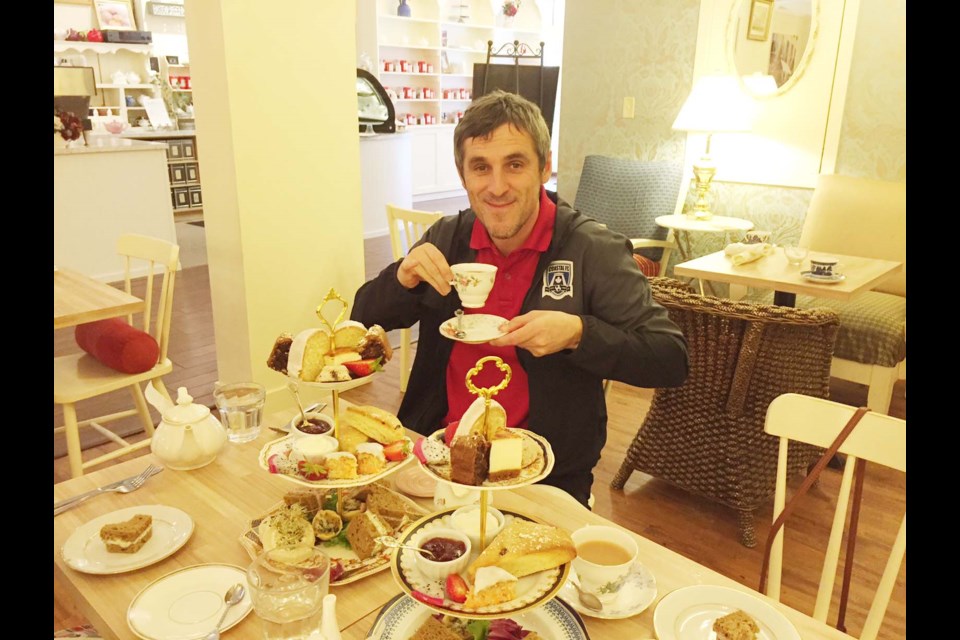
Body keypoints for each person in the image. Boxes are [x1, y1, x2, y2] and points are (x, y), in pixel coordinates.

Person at [352, 90, 688, 506]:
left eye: (515, 164)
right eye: (480, 167)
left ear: (544, 167)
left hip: (543, 475)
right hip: (438, 457)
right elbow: (362, 315)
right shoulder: (448, 237)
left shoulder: (591, 249)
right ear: (463, 176)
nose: (496, 187)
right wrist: (400, 278)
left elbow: (670, 357)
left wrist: (579, 334)